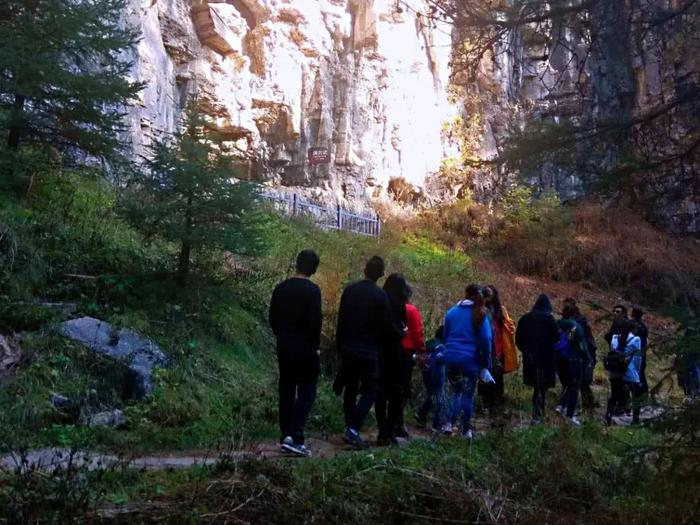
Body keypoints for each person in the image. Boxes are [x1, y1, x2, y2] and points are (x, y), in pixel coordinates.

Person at [336, 256, 402, 449]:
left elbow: (341, 322)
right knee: (370, 390)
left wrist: (339, 349)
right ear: (381, 274)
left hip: (348, 348)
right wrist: (401, 333)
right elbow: (387, 325)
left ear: (365, 270)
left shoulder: (349, 290)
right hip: (368, 351)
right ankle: (353, 429)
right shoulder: (380, 296)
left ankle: (350, 426)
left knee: (350, 389)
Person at [269, 250, 322, 457]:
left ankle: (285, 436)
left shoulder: (281, 288)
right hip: (306, 348)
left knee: (286, 389)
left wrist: (282, 335)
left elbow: (272, 316)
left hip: (284, 346)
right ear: (314, 268)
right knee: (307, 390)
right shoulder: (313, 291)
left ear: (296, 263)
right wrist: (315, 346)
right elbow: (315, 322)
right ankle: (295, 435)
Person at [442, 284, 493, 439]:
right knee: (467, 395)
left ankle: (448, 424)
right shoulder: (480, 314)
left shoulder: (451, 312)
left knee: (456, 392)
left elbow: (445, 335)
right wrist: (485, 363)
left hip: (450, 357)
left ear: (465, 294)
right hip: (469, 360)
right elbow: (486, 339)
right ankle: (465, 430)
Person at [376, 273, 410, 446]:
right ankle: (389, 430)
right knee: (396, 393)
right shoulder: (398, 304)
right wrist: (402, 333)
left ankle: (381, 429)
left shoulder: (380, 299)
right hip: (395, 352)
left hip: (378, 351)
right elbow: (402, 327)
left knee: (381, 393)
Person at [515, 294, 560, 424]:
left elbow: (518, 339)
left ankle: (537, 413)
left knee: (536, 385)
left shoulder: (525, 319)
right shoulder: (549, 319)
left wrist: (526, 350)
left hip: (530, 358)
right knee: (542, 387)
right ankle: (538, 413)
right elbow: (556, 337)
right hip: (546, 358)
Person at [478, 285, 517, 414]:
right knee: (485, 375)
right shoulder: (481, 310)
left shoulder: (501, 310)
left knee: (498, 377)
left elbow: (510, 327)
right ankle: (486, 404)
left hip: (499, 348)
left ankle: (497, 403)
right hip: (486, 347)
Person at [554, 304, 590, 426]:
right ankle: (569, 415)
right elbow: (582, 345)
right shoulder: (575, 327)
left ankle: (561, 405)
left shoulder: (556, 324)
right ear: (574, 313)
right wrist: (588, 359)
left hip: (559, 359)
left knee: (567, 384)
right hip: (573, 359)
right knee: (574, 386)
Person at [604, 320, 642, 426]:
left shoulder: (615, 338)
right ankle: (635, 420)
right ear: (632, 329)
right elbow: (638, 357)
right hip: (629, 372)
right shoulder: (636, 339)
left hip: (615, 372)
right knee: (635, 396)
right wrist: (637, 371)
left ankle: (608, 415)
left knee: (614, 395)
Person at [562, 298, 598, 410]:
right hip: (575, 353)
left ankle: (587, 405)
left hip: (584, 353)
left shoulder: (579, 321)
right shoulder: (570, 320)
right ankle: (570, 405)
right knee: (573, 380)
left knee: (583, 381)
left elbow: (581, 340)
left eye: (566, 306)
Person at [398, 290, 425, 435]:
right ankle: (399, 421)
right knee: (403, 387)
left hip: (390, 350)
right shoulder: (411, 310)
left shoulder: (390, 306)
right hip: (407, 352)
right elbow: (417, 332)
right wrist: (421, 350)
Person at [415, 326, 446, 432]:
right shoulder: (442, 347)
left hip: (426, 371)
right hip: (436, 373)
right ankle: (437, 424)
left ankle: (421, 415)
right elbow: (440, 361)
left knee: (432, 395)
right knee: (440, 399)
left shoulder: (429, 344)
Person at [630, 306, 649, 424]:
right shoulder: (644, 327)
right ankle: (635, 416)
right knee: (638, 384)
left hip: (628, 357)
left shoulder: (628, 325)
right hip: (640, 358)